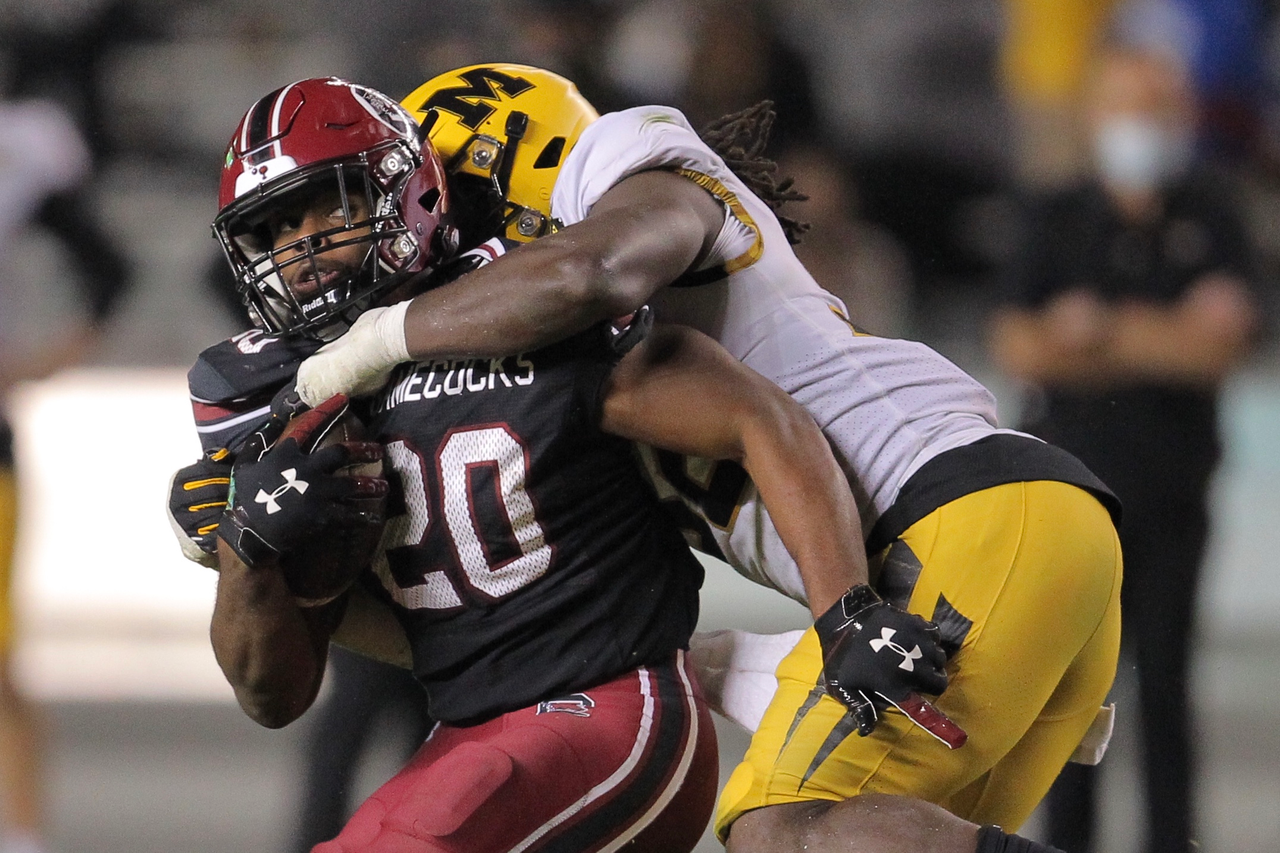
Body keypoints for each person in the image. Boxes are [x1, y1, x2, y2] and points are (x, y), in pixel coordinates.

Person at [290, 64, 1124, 853]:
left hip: (963, 516)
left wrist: (377, 340)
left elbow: (592, 271)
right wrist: (256, 545)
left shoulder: (628, 165)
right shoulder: (526, 377)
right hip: (985, 551)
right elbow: (506, 618)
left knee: (779, 827)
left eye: (453, 210)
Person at [181, 77, 956, 853]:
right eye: (276, 228)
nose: (303, 247)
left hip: (609, 703)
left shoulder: (518, 301)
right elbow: (270, 695)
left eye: (330, 208)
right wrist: (247, 552)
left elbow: (757, 418)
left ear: (405, 195)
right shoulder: (273, 396)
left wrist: (844, 607)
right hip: (468, 721)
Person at [989, 43, 1259, 853]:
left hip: (1176, 494)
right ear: (1092, 116)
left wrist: (1099, 329)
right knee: (1070, 699)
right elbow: (1021, 346)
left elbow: (1220, 349)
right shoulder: (1055, 213)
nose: (1139, 126)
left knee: (1167, 690)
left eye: (1156, 108)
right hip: (1073, 505)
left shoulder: (1214, 209)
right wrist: (1166, 330)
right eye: (1124, 107)